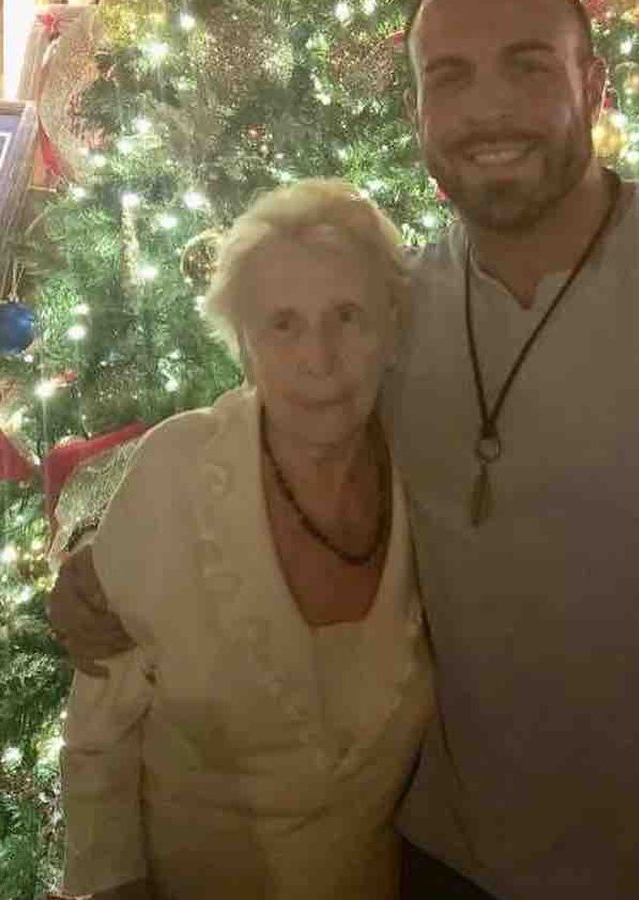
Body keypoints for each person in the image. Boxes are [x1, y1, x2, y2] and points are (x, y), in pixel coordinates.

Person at [51, 1, 639, 897]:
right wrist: (110, 550)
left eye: (527, 65)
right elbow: (272, 429)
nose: (488, 108)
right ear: (418, 111)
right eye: (450, 76)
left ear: (592, 84)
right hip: (429, 860)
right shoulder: (395, 313)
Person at [57, 179, 434, 900]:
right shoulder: (178, 471)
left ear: (392, 327)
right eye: (282, 324)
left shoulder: (429, 476)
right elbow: (98, 740)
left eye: (348, 316)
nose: (319, 358)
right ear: (243, 345)